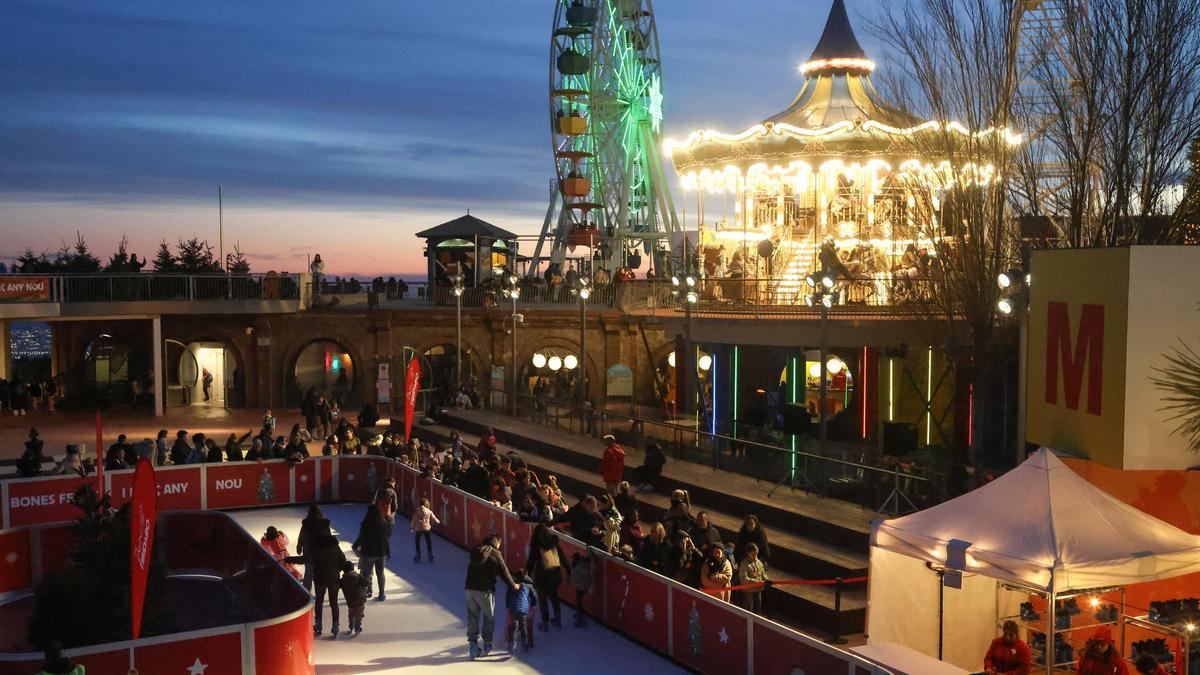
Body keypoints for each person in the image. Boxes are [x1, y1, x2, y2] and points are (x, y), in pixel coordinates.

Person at [465, 533, 520, 660]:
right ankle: (487, 644)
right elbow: (504, 571)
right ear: (496, 542)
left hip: (469, 588)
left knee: (472, 617)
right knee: (488, 617)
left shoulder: (476, 550)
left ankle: (473, 647)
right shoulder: (495, 553)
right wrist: (513, 585)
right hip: (485, 589)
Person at [525, 525, 569, 631]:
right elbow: (562, 557)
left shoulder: (537, 546)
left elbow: (531, 562)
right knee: (554, 596)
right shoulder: (554, 543)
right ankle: (558, 619)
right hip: (555, 574)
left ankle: (545, 623)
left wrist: (525, 576)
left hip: (542, 576)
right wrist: (569, 570)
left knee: (543, 600)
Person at [311, 532, 347, 638]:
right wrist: (336, 570)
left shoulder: (317, 549)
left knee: (319, 601)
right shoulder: (336, 548)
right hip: (333, 579)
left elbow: (310, 560)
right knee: (333, 602)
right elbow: (343, 562)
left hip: (319, 579)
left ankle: (318, 624)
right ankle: (335, 626)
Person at [353, 504, 391, 602]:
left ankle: (368, 591)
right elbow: (387, 539)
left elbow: (361, 538)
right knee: (381, 573)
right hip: (381, 553)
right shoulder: (385, 523)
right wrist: (388, 551)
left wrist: (355, 547)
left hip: (368, 553)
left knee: (366, 573)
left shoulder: (366, 524)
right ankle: (382, 594)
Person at [297, 504, 331, 592]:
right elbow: (329, 537)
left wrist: (299, 546)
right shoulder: (325, 523)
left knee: (308, 573)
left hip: (309, 551)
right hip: (321, 552)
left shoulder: (306, 523)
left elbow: (302, 536)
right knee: (320, 573)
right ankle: (320, 591)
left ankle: (306, 592)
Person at [505, 570, 537, 654]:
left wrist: (508, 605)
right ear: (525, 576)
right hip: (523, 608)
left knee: (514, 626)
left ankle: (512, 645)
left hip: (513, 608)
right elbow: (534, 597)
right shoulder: (529, 586)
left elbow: (507, 596)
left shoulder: (512, 585)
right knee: (523, 625)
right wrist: (533, 605)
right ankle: (525, 643)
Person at [339, 559, 369, 636]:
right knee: (359, 613)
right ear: (353, 568)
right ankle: (358, 625)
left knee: (351, 613)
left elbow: (338, 585)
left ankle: (351, 624)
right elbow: (367, 582)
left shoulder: (343, 580)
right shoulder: (359, 577)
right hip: (360, 599)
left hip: (350, 601)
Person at [738, 543, 769, 614]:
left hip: (758, 590)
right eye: (753, 555)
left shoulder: (758, 562)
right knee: (749, 610)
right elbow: (744, 579)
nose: (755, 557)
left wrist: (767, 580)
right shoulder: (744, 564)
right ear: (748, 553)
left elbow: (762, 574)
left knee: (757, 609)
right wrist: (756, 582)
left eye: (756, 554)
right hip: (748, 591)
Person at [411, 497, 441, 563]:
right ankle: (430, 555)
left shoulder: (417, 511)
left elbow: (414, 519)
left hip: (418, 528)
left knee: (417, 542)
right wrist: (438, 521)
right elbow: (434, 518)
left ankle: (418, 555)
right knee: (428, 542)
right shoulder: (429, 511)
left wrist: (412, 527)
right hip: (426, 528)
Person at [569, 551, 593, 626]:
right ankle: (580, 614)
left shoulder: (579, 567)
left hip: (582, 585)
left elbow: (577, 576)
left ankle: (581, 617)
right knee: (579, 600)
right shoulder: (582, 564)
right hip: (582, 585)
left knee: (579, 601)